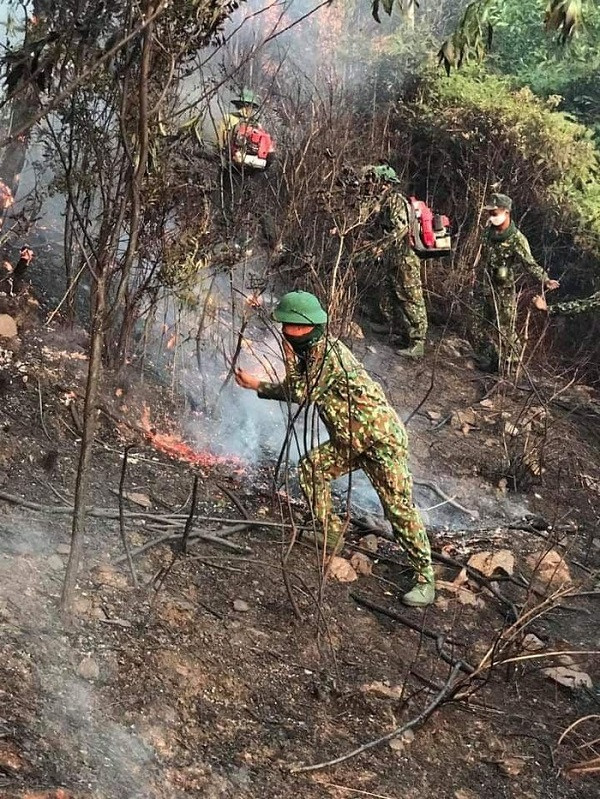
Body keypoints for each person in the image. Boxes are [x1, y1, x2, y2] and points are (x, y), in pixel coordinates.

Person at [234, 290, 435, 607]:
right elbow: (296, 388)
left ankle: (425, 577)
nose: (284, 331)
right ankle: (329, 533)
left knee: (397, 508)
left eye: (287, 326)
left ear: (303, 327)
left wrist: (287, 357)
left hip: (380, 440)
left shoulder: (326, 355)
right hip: (349, 441)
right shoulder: (312, 351)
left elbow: (301, 392)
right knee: (311, 468)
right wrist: (258, 385)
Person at [472, 193, 559, 373]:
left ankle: (511, 368)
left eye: (494, 213)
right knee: (479, 325)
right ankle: (490, 360)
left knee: (506, 330)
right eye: (489, 213)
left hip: (503, 290)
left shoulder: (517, 239)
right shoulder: (488, 233)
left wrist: (545, 279)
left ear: (506, 212)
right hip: (484, 286)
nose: (491, 216)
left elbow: (529, 263)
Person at [358, 165, 427, 359]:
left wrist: (381, 245)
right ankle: (402, 333)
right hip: (393, 258)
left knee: (411, 299)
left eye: (375, 180)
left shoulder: (396, 200)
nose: (372, 184)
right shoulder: (384, 201)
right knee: (392, 296)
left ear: (385, 183)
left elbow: (401, 228)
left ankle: (418, 342)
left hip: (405, 259)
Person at [216, 88, 274, 169]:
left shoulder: (229, 118)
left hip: (233, 163)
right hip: (249, 165)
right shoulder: (256, 124)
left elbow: (219, 142)